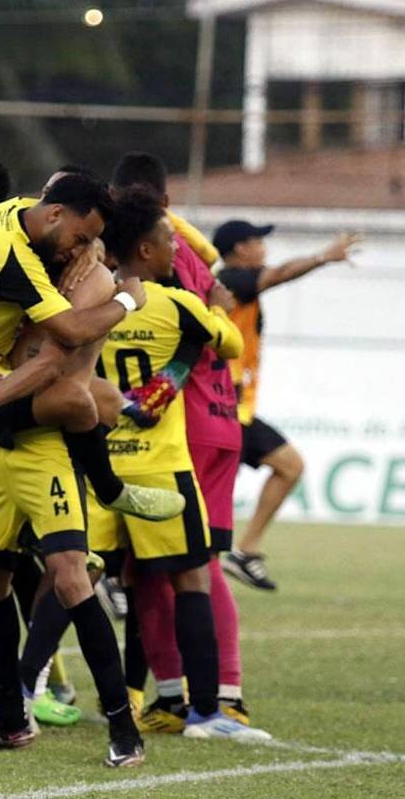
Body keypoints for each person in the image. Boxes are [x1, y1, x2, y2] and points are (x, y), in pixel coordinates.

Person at [0, 174, 168, 767]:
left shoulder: (31, 230)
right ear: (57, 218)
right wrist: (132, 295)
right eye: (80, 237)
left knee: (69, 575)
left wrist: (106, 271)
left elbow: (58, 356)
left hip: (26, 439)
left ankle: (121, 730)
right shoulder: (32, 261)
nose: (78, 249)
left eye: (92, 241)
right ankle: (10, 720)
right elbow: (66, 339)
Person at [17, 188, 266, 743]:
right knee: (192, 578)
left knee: (74, 576)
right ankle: (206, 713)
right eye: (170, 240)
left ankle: (23, 691)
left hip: (100, 462)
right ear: (147, 252)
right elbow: (225, 345)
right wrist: (220, 311)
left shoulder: (86, 307)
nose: (178, 248)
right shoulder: (176, 304)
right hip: (160, 468)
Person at [109, 152, 248, 723]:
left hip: (179, 424)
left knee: (194, 565)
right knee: (157, 566)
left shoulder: (157, 263)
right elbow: (223, 289)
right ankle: (172, 697)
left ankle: (222, 696)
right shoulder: (193, 260)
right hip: (218, 415)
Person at [214, 220, 359, 591]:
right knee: (205, 498)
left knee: (290, 466)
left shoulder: (235, 285)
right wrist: (324, 257)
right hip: (220, 408)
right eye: (257, 241)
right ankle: (122, 566)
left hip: (237, 410)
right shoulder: (232, 280)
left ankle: (245, 552)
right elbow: (278, 274)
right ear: (240, 248)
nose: (263, 247)